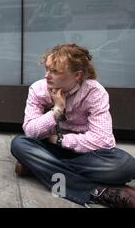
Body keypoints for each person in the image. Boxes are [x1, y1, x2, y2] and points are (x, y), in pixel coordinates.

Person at [11, 43, 135, 208]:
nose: (48, 76)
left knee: (126, 166)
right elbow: (31, 131)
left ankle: (37, 168)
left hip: (85, 154)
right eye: (47, 69)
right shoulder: (38, 89)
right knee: (19, 144)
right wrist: (57, 110)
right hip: (50, 149)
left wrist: (59, 139)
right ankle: (97, 191)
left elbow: (103, 141)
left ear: (77, 75)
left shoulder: (94, 93)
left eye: (55, 71)